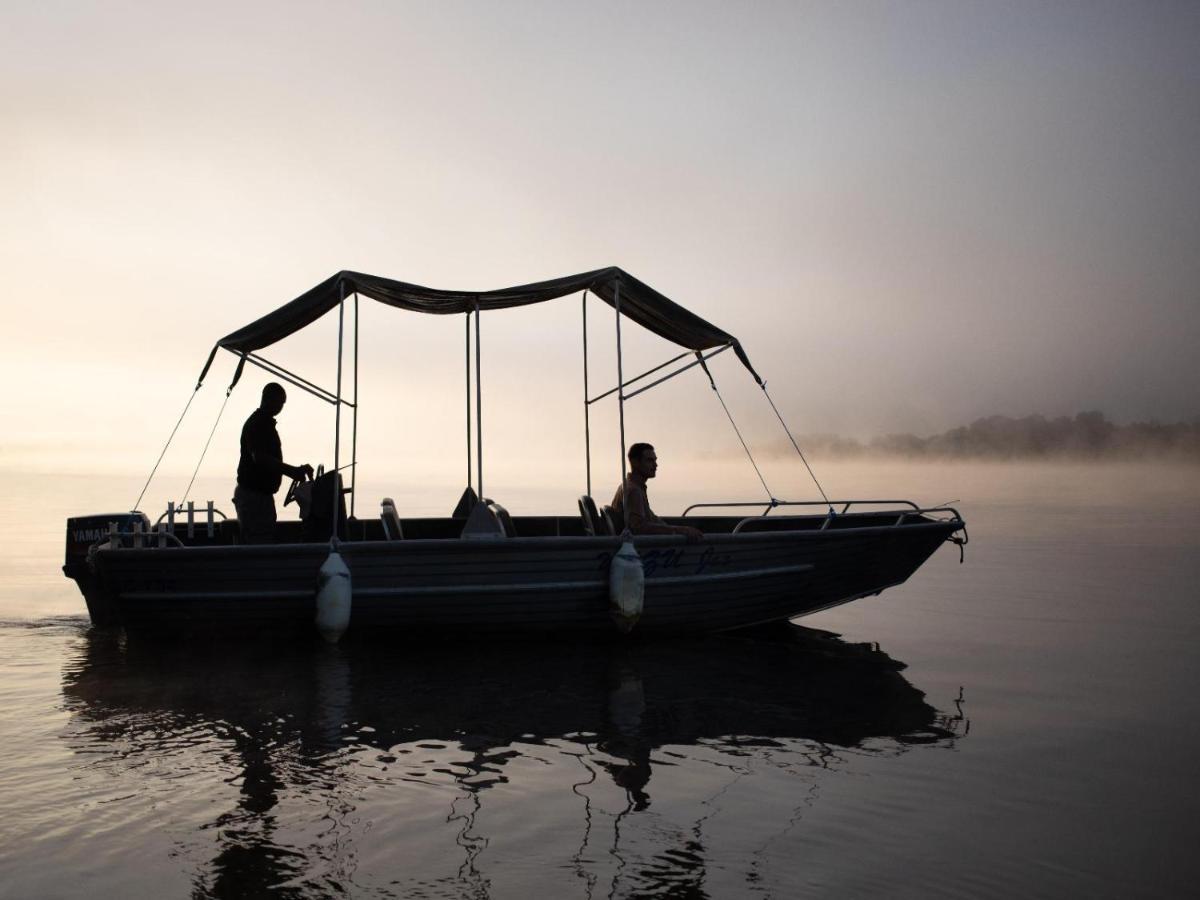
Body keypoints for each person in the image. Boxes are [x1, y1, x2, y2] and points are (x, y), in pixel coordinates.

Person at [233, 382, 313, 544]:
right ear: (269, 399)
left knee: (263, 537)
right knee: (258, 541)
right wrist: (292, 471)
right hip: (254, 497)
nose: (281, 407)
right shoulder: (257, 424)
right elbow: (260, 458)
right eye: (280, 402)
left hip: (260, 496)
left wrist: (295, 470)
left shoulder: (265, 424)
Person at [610, 443, 703, 542]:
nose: (655, 465)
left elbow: (651, 518)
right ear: (635, 462)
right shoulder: (633, 491)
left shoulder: (631, 486)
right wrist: (680, 530)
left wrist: (678, 529)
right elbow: (638, 528)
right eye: (650, 460)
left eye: (655, 460)